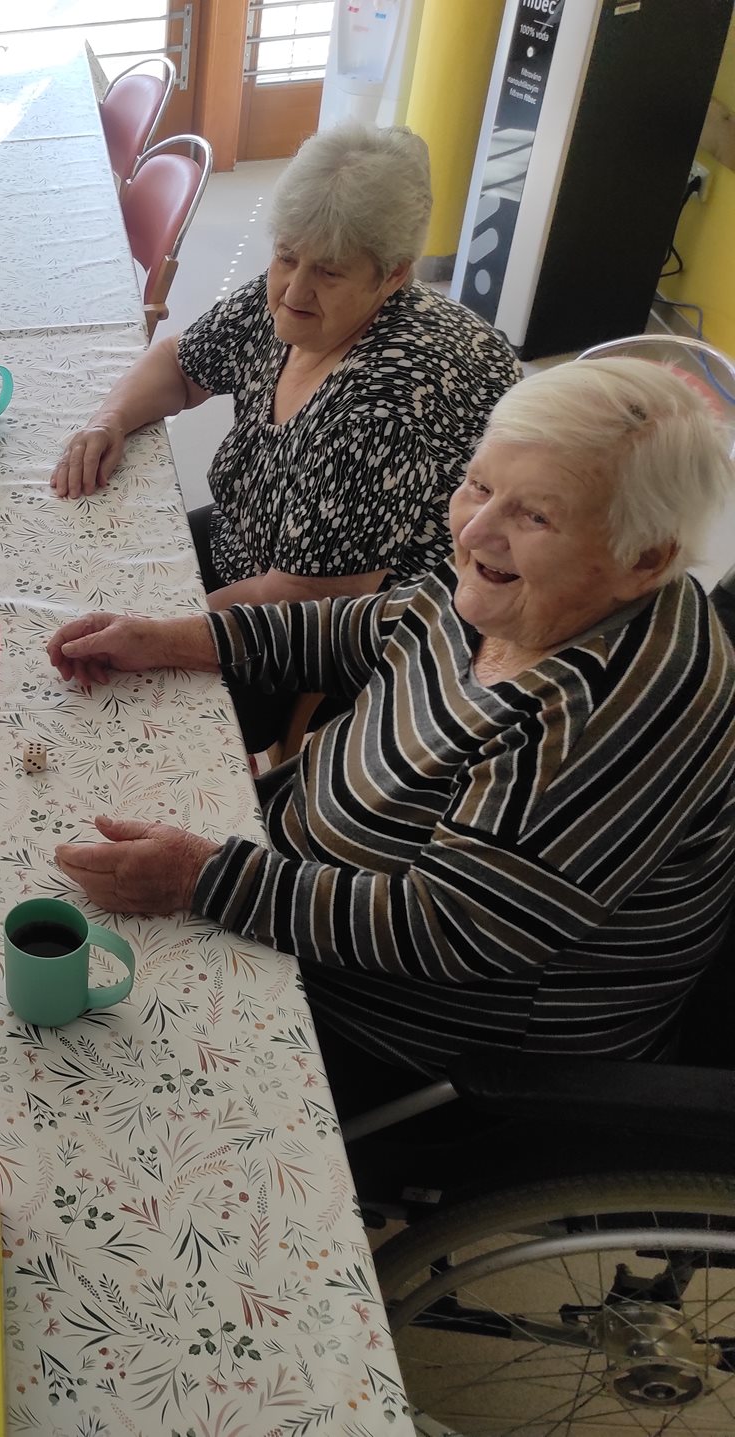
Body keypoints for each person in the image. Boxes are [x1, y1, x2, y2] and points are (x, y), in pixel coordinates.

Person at [46, 361, 735, 1116]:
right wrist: (172, 638)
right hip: (305, 889)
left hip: (424, 1042)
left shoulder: (595, 714)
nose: (475, 531)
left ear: (645, 558)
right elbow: (370, 628)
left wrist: (199, 877)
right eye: (478, 485)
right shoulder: (531, 587)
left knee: (82, 1072)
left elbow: (449, 929)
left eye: (535, 517)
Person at [53, 125, 520, 747]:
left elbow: (305, 598)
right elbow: (181, 365)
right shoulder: (293, 300)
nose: (295, 290)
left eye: (329, 272)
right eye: (286, 257)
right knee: (76, 570)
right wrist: (107, 420)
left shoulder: (381, 409)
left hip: (341, 635)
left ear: (392, 277)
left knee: (110, 720)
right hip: (252, 546)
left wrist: (158, 633)